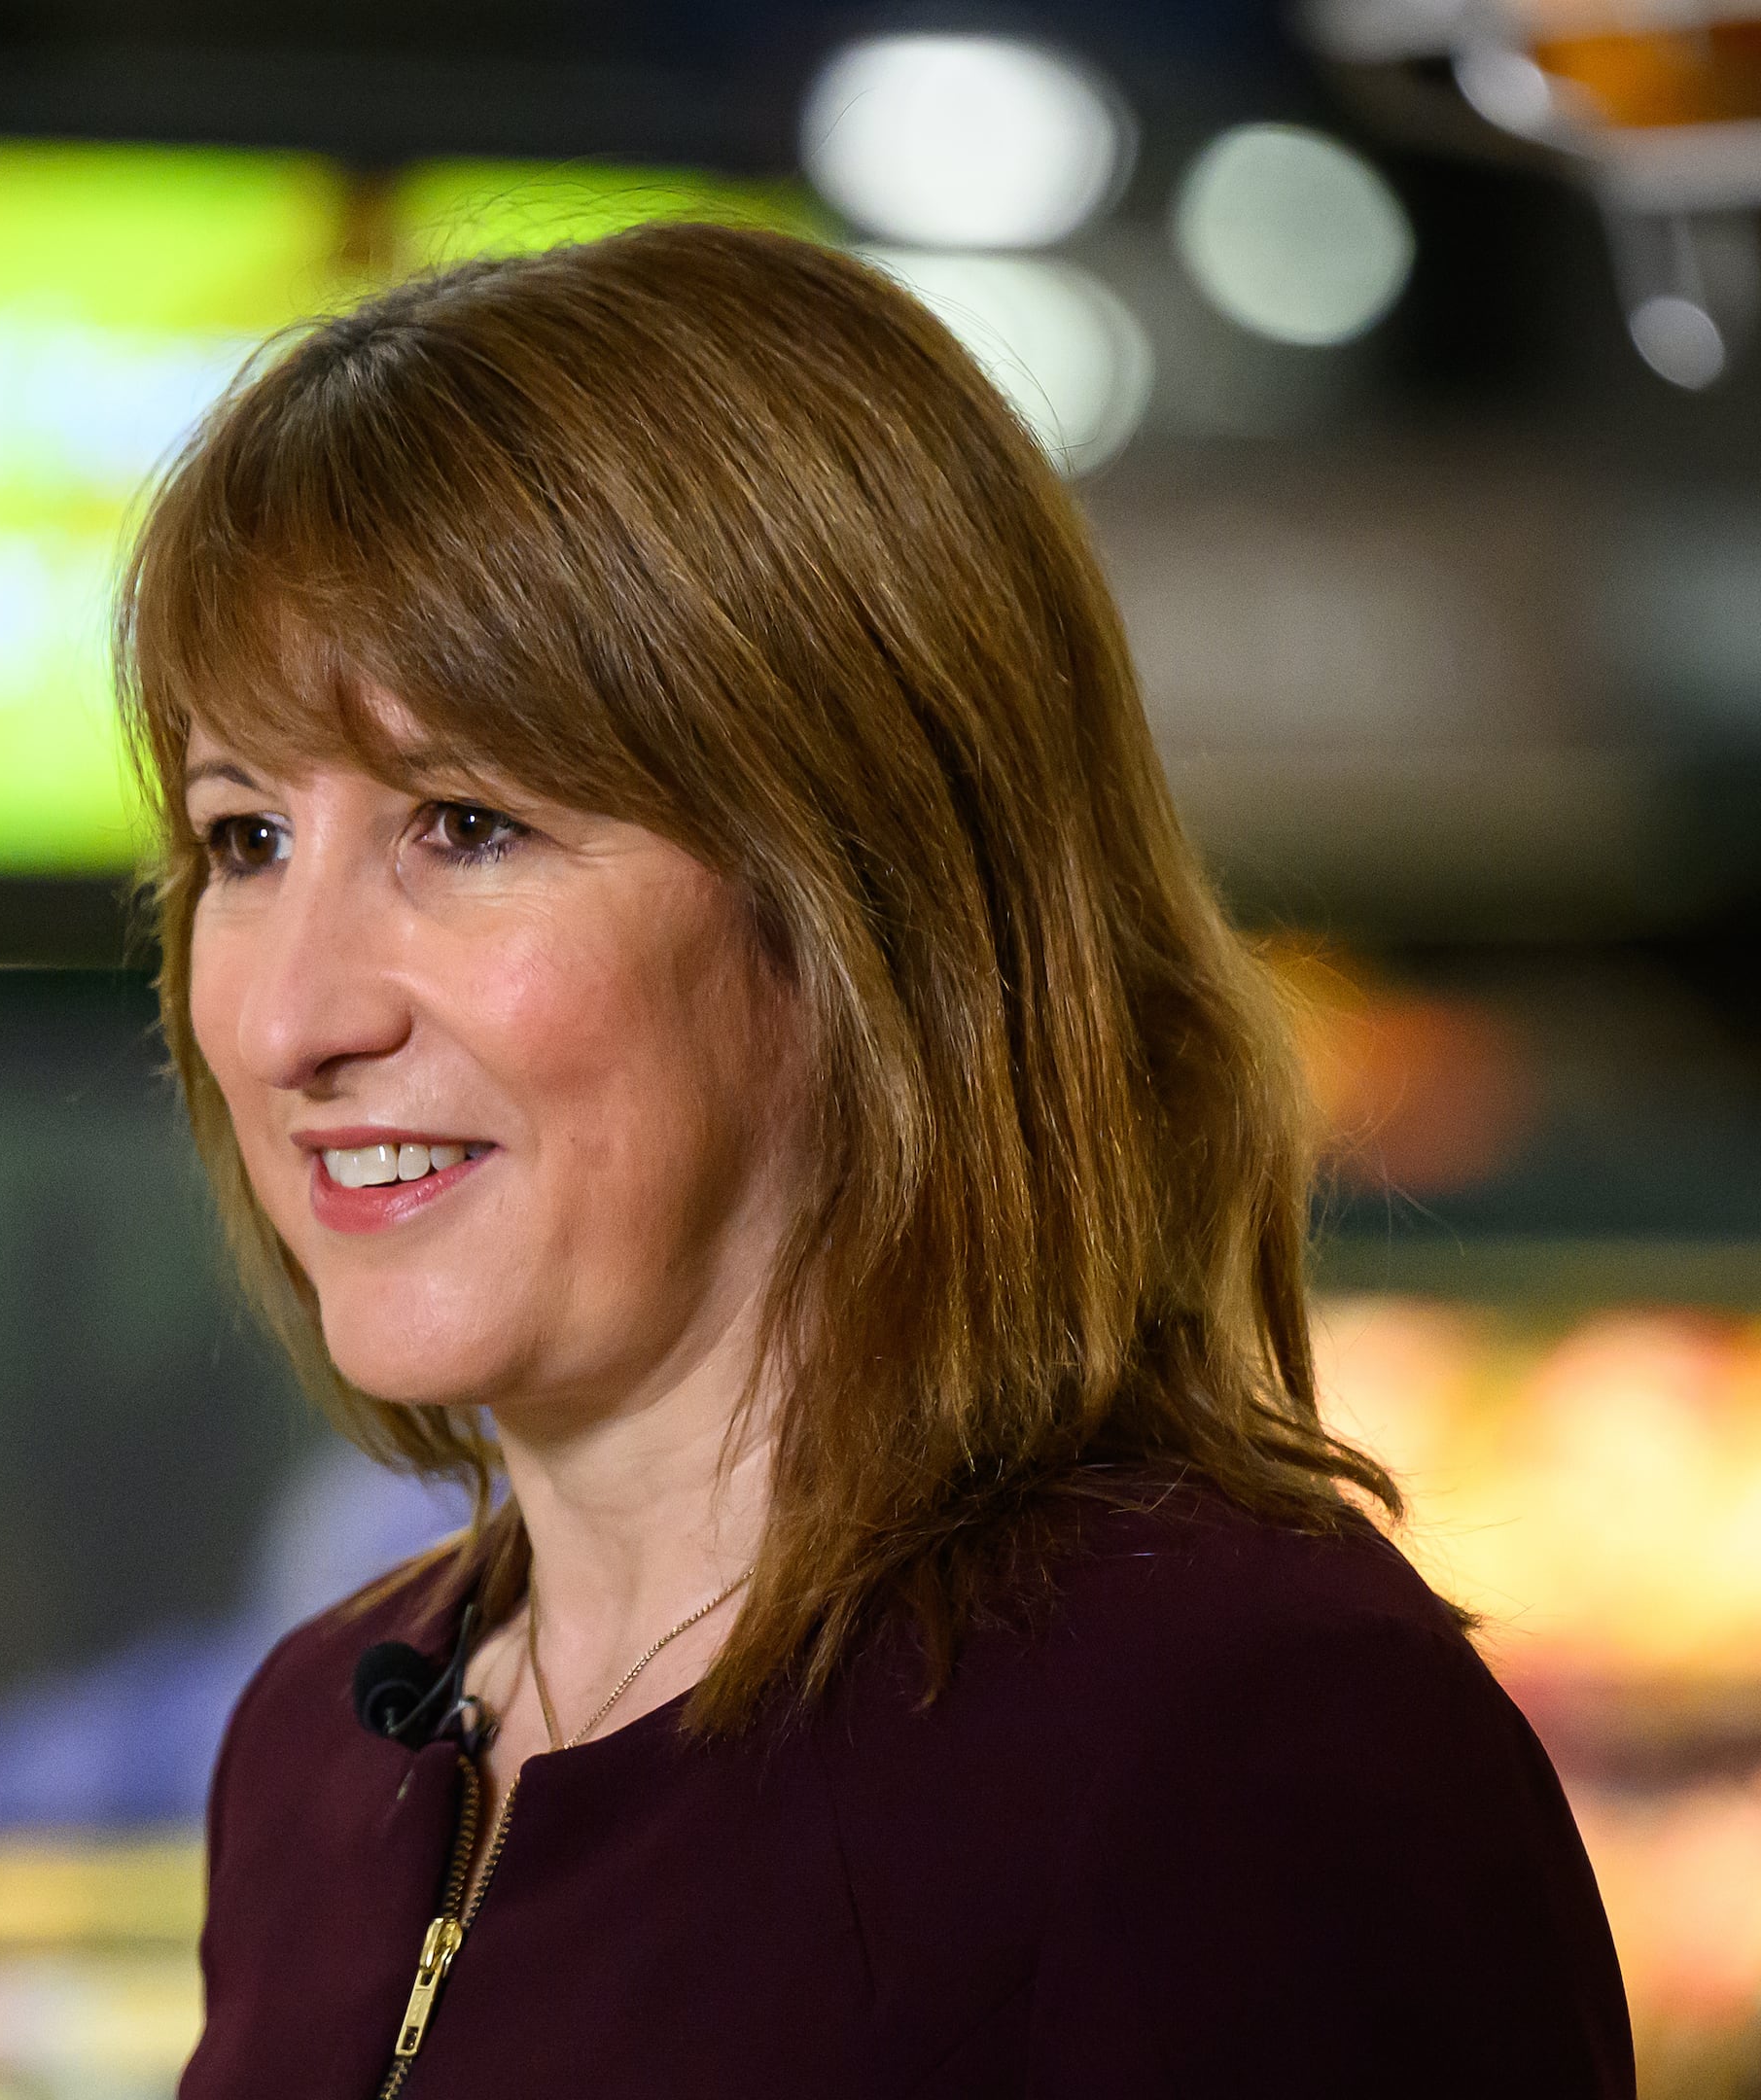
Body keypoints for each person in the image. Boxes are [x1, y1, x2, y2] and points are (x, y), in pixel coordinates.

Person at [124, 223, 1630, 2098]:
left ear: (867, 901)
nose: (292, 1020)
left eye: (465, 825)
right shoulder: (319, 1754)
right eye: (246, 841)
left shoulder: (1239, 1740)